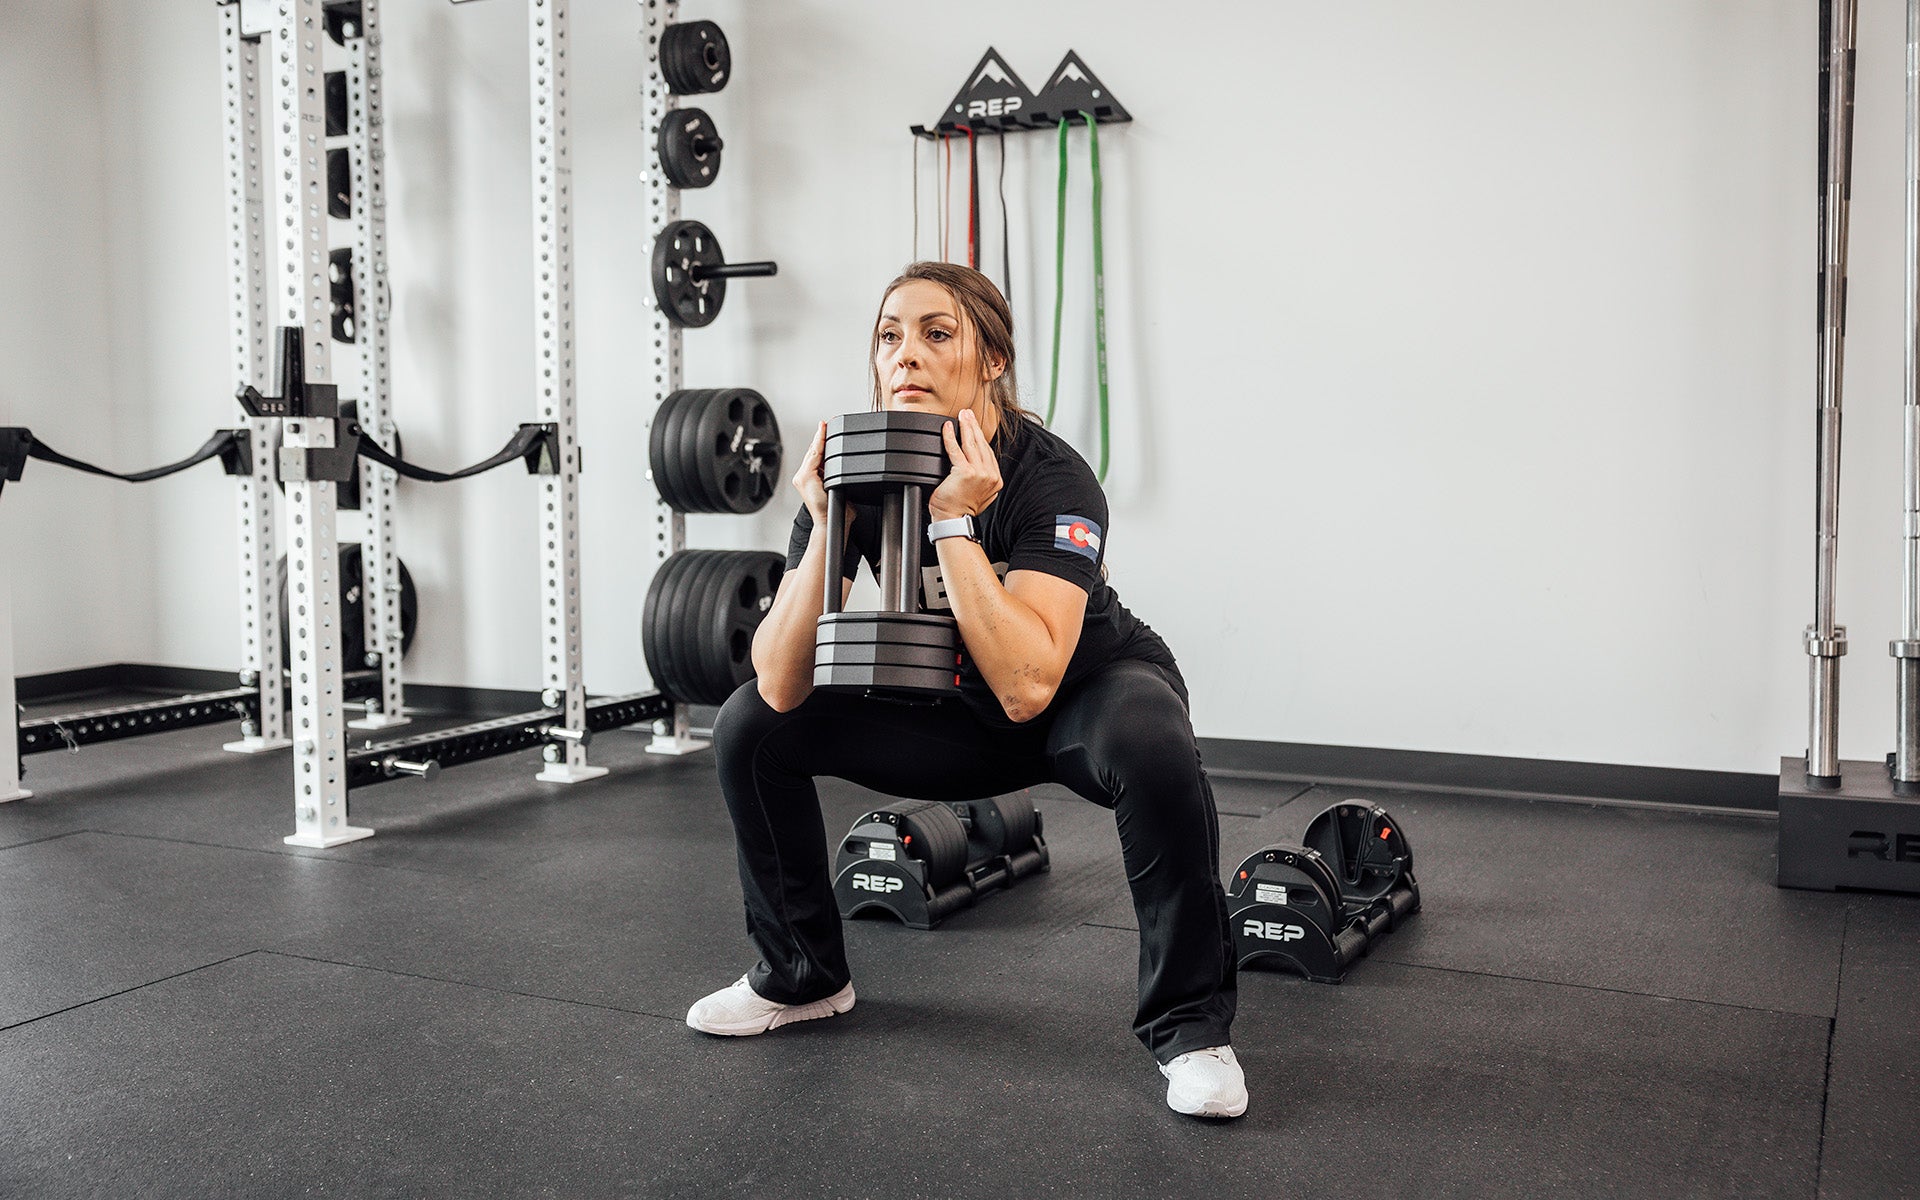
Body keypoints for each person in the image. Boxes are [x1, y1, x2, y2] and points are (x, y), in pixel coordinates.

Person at [685, 261, 1245, 1119]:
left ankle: (1192, 1031)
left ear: (991, 361)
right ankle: (801, 976)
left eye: (936, 333)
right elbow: (780, 679)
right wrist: (832, 518)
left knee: (1152, 738)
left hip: (1077, 697)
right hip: (951, 704)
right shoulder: (860, 469)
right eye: (888, 336)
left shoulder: (1050, 476)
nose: (905, 354)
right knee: (750, 726)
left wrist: (952, 519)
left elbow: (1028, 686)